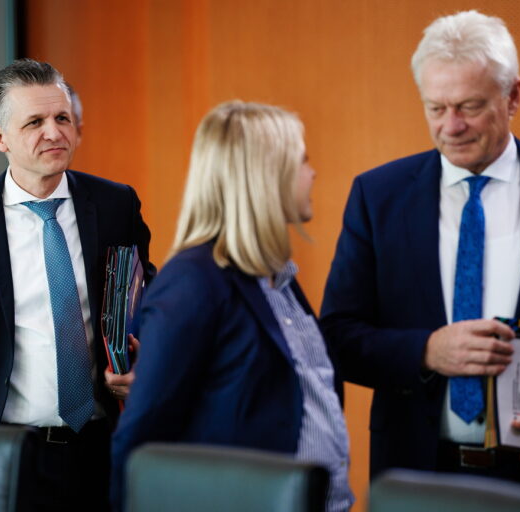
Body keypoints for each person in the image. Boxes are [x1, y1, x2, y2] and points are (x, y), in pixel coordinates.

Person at [320, 10, 520, 510]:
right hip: (416, 476)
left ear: (513, 96)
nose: (451, 127)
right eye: (436, 108)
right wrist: (426, 351)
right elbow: (338, 336)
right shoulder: (377, 196)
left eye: (470, 106)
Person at [0, 58, 154, 511]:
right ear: (0, 138)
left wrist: (142, 361)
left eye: (62, 118)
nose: (54, 133)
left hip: (98, 446)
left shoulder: (116, 205)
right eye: (35, 122)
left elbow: (146, 304)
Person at [110, 101, 354, 512]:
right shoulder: (193, 281)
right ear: (265, 175)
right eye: (302, 161)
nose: (312, 173)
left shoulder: (277, 277)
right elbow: (140, 440)